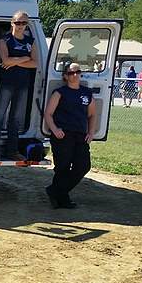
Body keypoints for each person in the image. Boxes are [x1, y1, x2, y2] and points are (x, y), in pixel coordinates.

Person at [43, 63, 96, 209]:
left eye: (78, 72)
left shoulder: (87, 93)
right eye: (71, 73)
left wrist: (91, 133)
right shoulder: (60, 92)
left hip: (81, 136)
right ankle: (62, 198)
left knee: (83, 166)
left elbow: (92, 115)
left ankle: (54, 191)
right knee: (62, 168)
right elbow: (48, 114)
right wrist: (55, 129)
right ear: (65, 76)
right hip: (63, 135)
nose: (75, 75)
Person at [0, 10, 38, 161]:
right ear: (12, 23)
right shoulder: (5, 40)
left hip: (23, 84)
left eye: (24, 23)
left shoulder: (31, 41)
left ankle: (12, 151)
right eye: (18, 22)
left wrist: (14, 60)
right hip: (6, 83)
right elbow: (5, 61)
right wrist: (24, 58)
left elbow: (35, 63)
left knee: (15, 118)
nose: (21, 25)